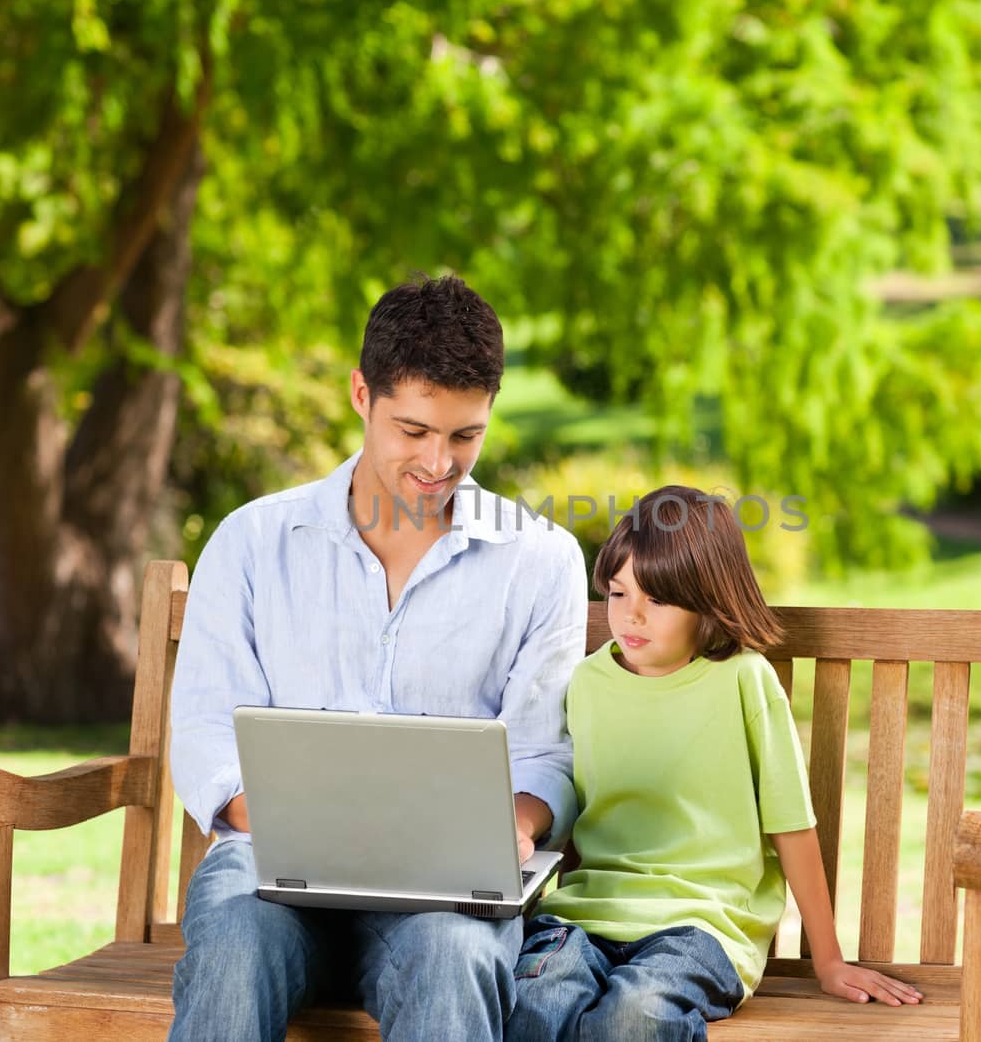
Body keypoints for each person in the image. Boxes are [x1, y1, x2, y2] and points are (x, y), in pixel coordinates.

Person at [168, 274, 588, 1041]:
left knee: (457, 954)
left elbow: (541, 756)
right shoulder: (255, 542)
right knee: (234, 936)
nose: (439, 462)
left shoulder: (541, 559)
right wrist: (316, 829)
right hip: (273, 873)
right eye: (414, 430)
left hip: (442, 893)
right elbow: (203, 733)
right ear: (361, 394)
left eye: (466, 435)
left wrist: (514, 825)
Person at [507, 486, 922, 1042]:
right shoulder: (587, 682)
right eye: (618, 591)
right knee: (536, 1000)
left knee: (635, 1017)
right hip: (585, 916)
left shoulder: (744, 681)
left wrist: (828, 961)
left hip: (701, 926)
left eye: (657, 600)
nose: (631, 616)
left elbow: (790, 827)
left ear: (707, 599)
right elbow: (564, 786)